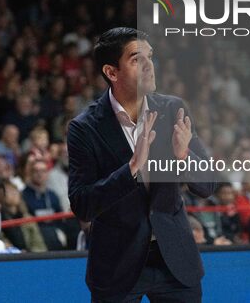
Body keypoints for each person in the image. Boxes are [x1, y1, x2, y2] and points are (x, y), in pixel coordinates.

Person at [68, 27, 214, 302]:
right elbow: (82, 204)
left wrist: (183, 158)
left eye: (150, 57)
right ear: (111, 72)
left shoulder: (173, 109)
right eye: (137, 60)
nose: (150, 66)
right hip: (116, 262)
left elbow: (208, 185)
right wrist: (132, 168)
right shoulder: (84, 128)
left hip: (175, 259)